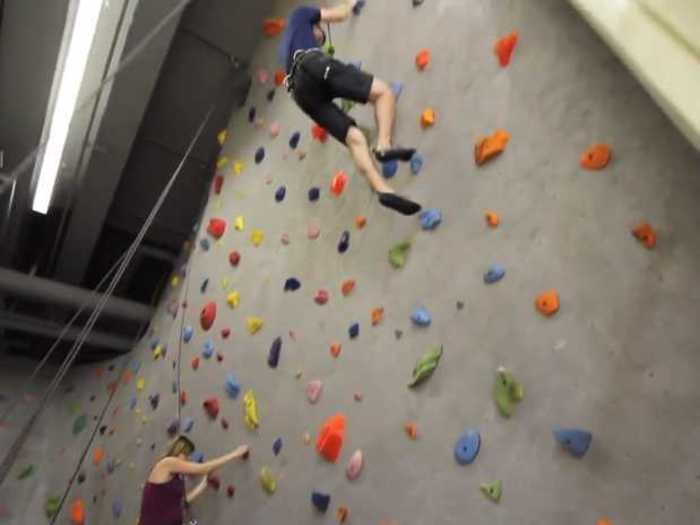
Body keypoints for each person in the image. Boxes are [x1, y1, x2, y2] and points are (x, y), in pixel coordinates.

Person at [281, 0, 422, 216]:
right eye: (320, 34)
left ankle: (382, 189)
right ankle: (384, 145)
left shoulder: (286, 52)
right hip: (312, 65)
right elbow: (338, 14)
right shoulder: (300, 14)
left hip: (300, 94)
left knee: (354, 138)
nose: (320, 39)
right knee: (384, 93)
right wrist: (349, 4)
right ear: (314, 24)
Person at [137, 435, 249, 525]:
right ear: (180, 452)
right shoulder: (166, 464)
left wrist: (204, 484)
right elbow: (203, 468)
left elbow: (181, 503)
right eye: (187, 456)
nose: (188, 460)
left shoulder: (174, 479)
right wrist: (235, 454)